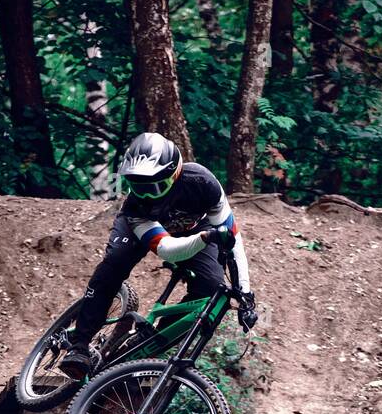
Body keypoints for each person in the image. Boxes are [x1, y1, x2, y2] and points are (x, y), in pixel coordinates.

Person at [60, 131, 257, 380]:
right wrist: (204, 239)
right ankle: (79, 345)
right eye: (137, 187)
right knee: (113, 266)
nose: (147, 196)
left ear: (174, 173)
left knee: (211, 289)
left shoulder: (203, 183)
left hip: (196, 229)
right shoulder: (137, 206)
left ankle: (151, 342)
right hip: (145, 229)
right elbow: (165, 249)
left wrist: (245, 292)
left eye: (153, 186)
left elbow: (233, 238)